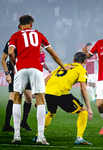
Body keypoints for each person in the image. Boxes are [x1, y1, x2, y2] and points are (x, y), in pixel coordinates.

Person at [8, 14, 71, 145]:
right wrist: (63, 66)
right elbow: (52, 54)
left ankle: (16, 136)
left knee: (17, 99)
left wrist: (15, 65)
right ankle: (41, 137)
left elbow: (10, 52)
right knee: (40, 100)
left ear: (20, 25)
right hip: (36, 69)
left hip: (21, 69)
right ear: (31, 24)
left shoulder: (15, 35)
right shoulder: (39, 34)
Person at [33, 52, 93, 145]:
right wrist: (89, 108)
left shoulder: (63, 65)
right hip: (61, 93)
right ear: (85, 61)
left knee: (51, 112)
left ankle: (38, 135)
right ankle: (79, 138)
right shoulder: (81, 70)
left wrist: (41, 96)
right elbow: (83, 89)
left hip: (48, 91)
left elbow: (47, 77)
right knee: (83, 111)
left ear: (73, 60)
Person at [1, 24, 32, 132]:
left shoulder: (29, 40)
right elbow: (3, 59)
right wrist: (7, 74)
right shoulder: (12, 40)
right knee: (12, 98)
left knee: (28, 98)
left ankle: (24, 122)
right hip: (14, 72)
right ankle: (6, 125)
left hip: (26, 71)